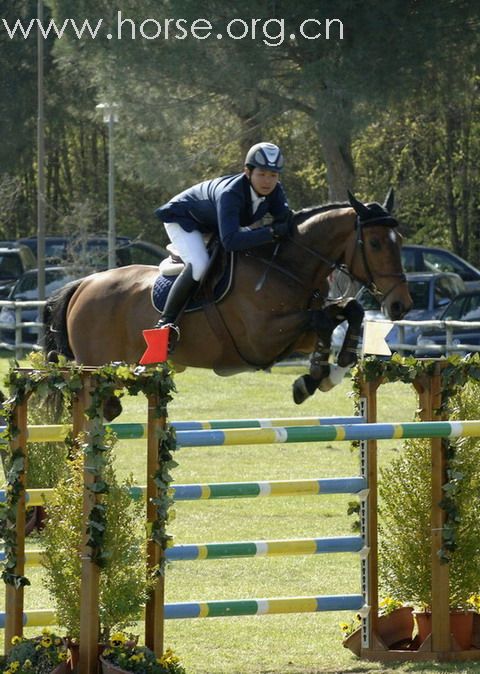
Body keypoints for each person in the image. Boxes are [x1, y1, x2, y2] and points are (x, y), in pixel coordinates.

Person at [154, 141, 293, 348]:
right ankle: (165, 324)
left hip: (215, 223)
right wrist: (271, 232)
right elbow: (230, 241)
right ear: (247, 172)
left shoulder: (275, 192)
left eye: (273, 175)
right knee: (200, 265)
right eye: (262, 174)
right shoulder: (231, 193)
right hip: (184, 219)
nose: (267, 181)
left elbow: (286, 221)